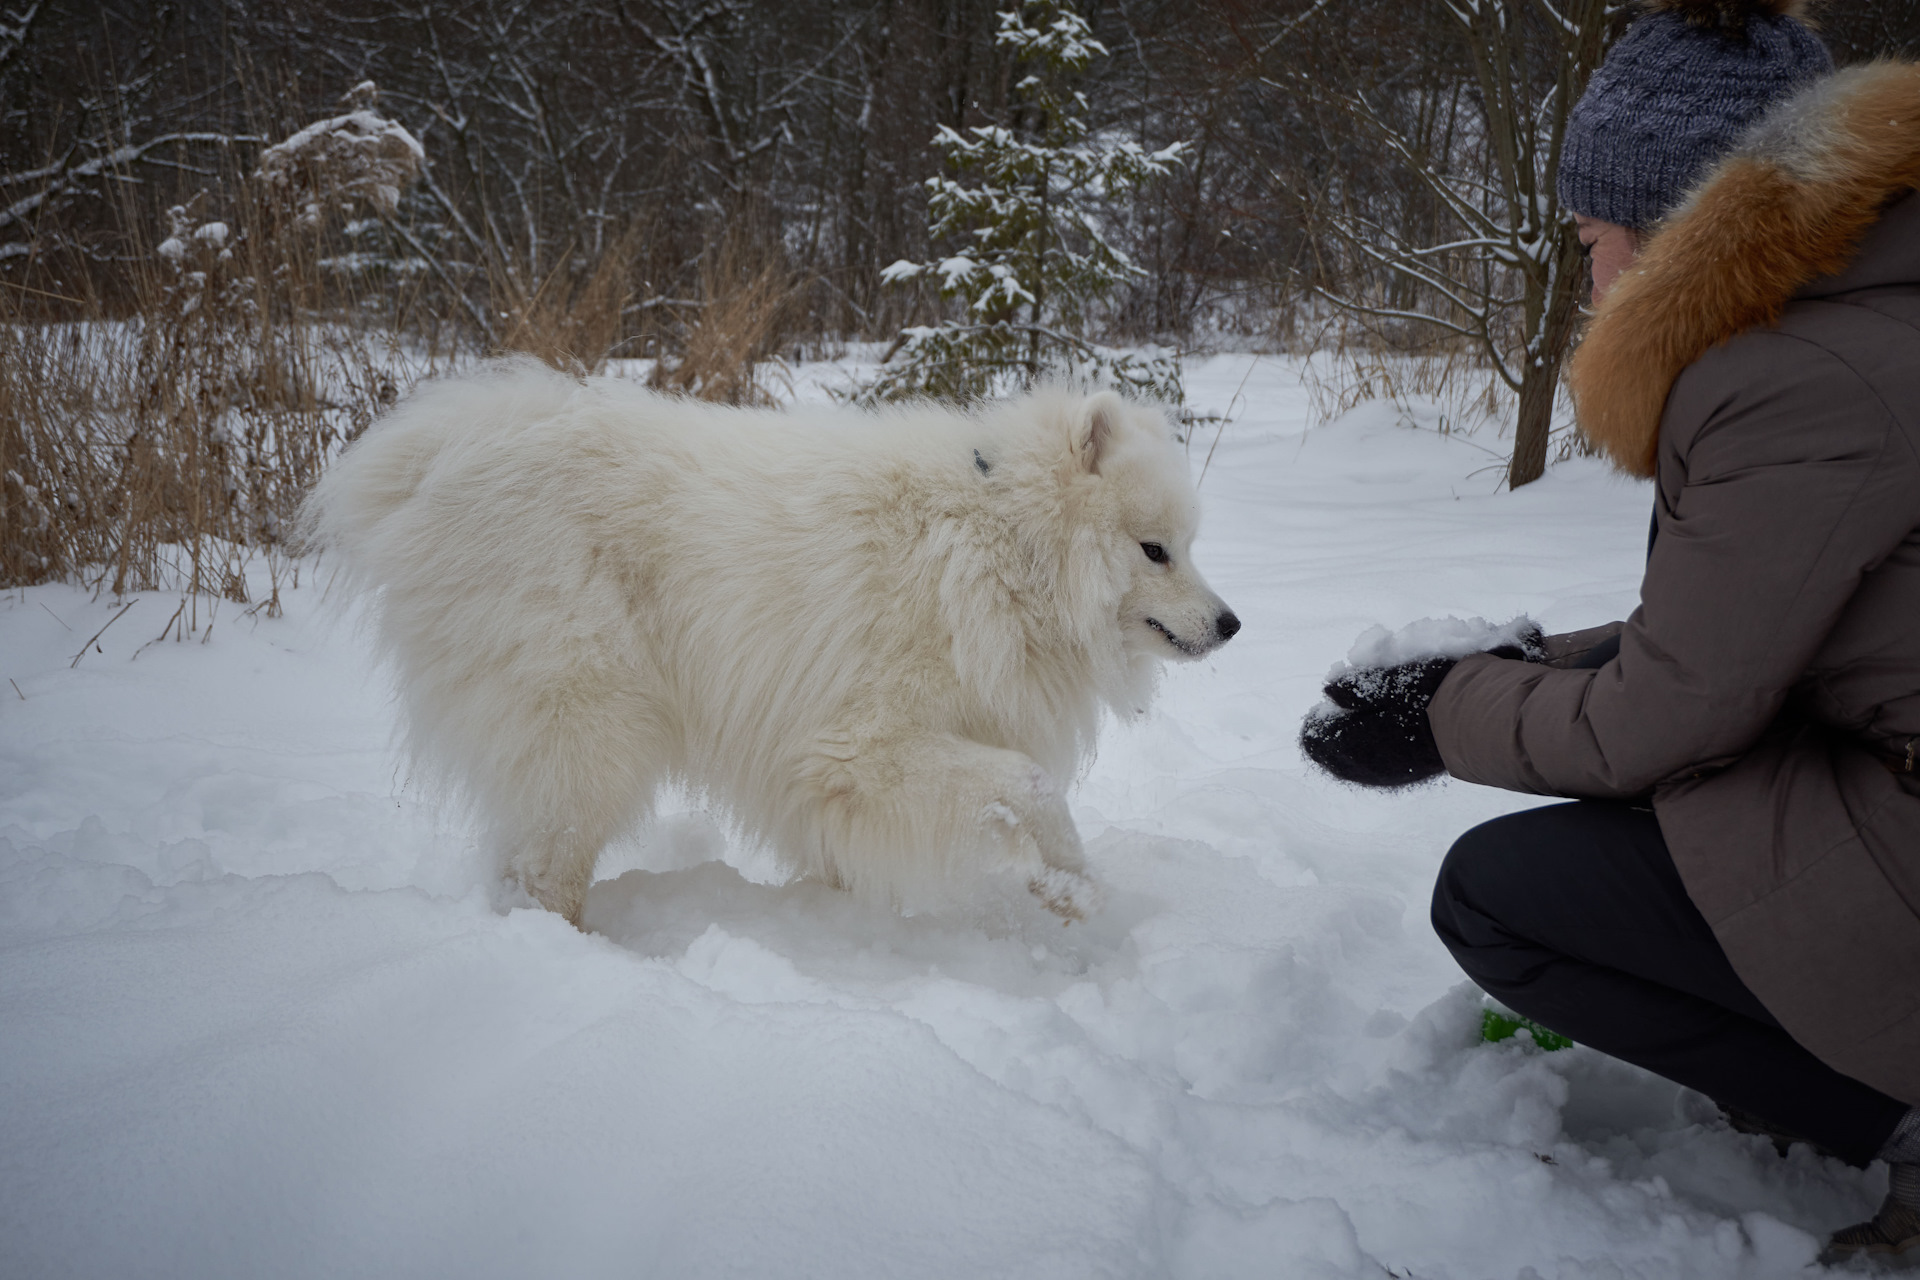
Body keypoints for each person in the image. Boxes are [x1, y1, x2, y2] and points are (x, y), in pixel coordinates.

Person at [1299, 0, 1920, 1262]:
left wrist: (1446, 709)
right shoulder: (1869, 314)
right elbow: (1754, 632)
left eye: (1591, 238)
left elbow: (1672, 713)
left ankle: (1886, 1106)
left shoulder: (1797, 378)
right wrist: (1520, 663)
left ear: (1678, 226)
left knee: (1496, 894)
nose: (1588, 272)